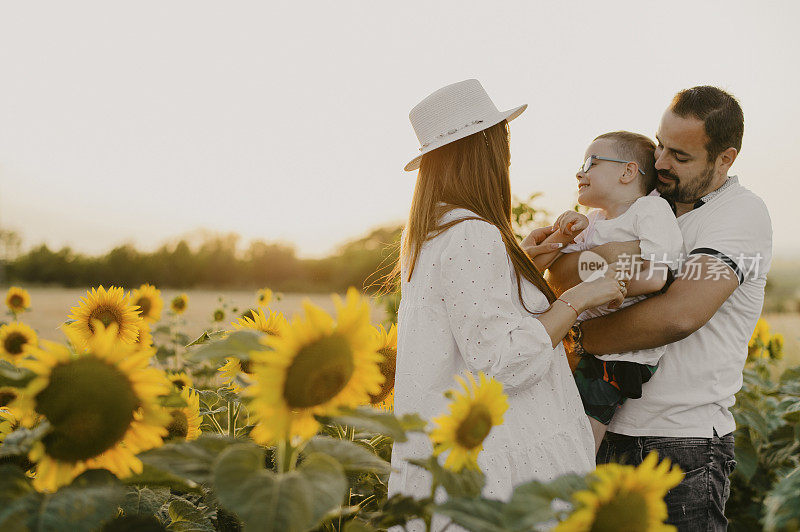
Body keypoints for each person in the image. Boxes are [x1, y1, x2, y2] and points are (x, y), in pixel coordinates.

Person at [387, 79, 627, 531]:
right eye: (502, 140)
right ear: (484, 149)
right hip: (500, 475)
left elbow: (467, 314)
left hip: (451, 464)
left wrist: (520, 264)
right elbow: (503, 360)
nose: (508, 153)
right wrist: (577, 298)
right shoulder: (472, 235)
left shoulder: (433, 232)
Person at [547, 86, 772, 530]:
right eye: (661, 146)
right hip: (601, 427)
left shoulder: (740, 215)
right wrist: (620, 257)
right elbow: (562, 272)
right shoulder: (645, 205)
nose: (662, 163)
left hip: (680, 446)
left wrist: (569, 332)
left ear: (724, 159)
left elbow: (677, 315)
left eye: (681, 156)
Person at [528, 131, 684, 453]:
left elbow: (656, 278)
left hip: (620, 354)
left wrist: (603, 289)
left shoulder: (649, 211)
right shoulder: (594, 221)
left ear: (627, 172)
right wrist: (561, 233)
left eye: (591, 162)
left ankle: (572, 491)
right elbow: (541, 266)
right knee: (560, 425)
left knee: (582, 435)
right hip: (589, 343)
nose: (579, 172)